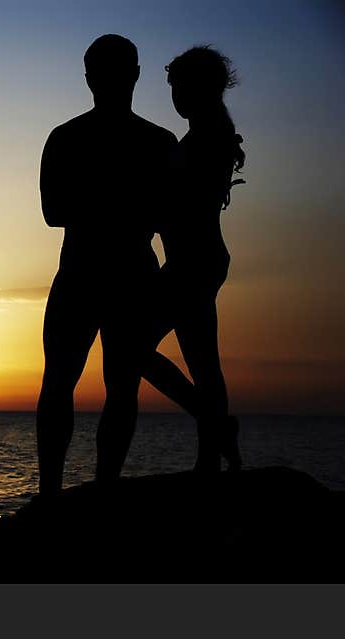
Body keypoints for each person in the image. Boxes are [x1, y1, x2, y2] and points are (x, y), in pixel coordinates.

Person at [37, 34, 178, 493]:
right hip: (103, 273)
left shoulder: (71, 138)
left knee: (102, 385)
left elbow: (58, 212)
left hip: (101, 273)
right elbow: (54, 213)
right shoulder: (155, 142)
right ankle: (70, 492)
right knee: (76, 383)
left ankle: (79, 492)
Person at [140, 46, 245, 472]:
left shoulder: (207, 137)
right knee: (203, 362)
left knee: (133, 346)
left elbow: (183, 204)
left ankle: (213, 424)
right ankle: (212, 454)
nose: (174, 96)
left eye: (178, 87)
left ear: (198, 87)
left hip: (193, 263)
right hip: (195, 260)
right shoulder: (208, 131)